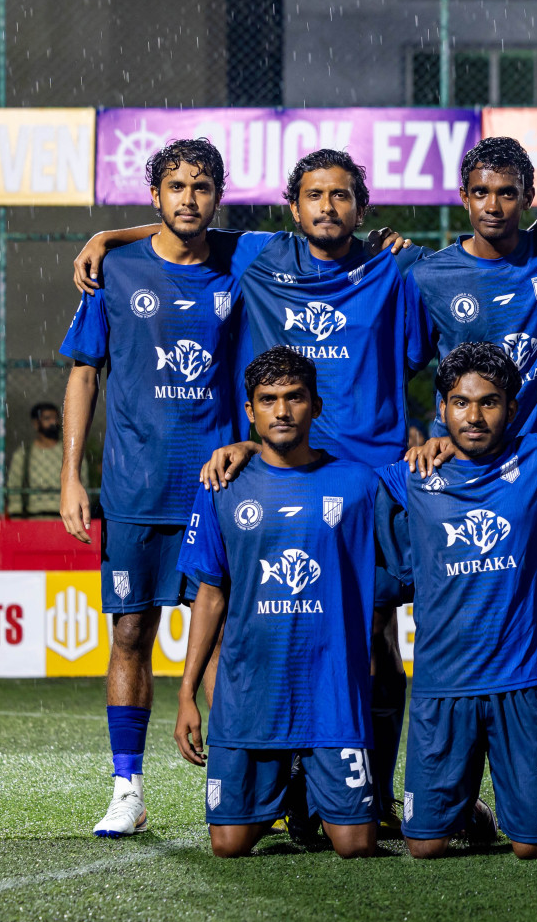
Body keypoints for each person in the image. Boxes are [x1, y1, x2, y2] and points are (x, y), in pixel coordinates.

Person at [73, 147, 425, 830]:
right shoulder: (263, 256)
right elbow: (185, 230)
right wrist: (107, 236)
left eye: (342, 195)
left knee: (376, 633)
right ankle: (274, 791)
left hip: (368, 485)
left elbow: (482, 250)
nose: (328, 206)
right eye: (315, 196)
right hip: (267, 478)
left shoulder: (395, 264)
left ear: (362, 206)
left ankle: (369, 791)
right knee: (261, 633)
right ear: (293, 210)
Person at [59, 138, 247, 838]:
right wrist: (72, 474)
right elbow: (84, 372)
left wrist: (108, 228)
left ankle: (232, 788)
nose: (188, 198)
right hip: (135, 489)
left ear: (217, 197)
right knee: (132, 631)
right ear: (156, 196)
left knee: (227, 639)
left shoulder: (241, 264)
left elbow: (314, 234)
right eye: (175, 187)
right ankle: (127, 790)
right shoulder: (117, 270)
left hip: (218, 489)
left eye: (202, 186)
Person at [375, 344, 537, 859]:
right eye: (460, 402)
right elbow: (324, 477)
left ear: (513, 409)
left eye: (490, 402)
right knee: (425, 848)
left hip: (523, 680)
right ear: (442, 408)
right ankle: (469, 810)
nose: (473, 416)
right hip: (442, 684)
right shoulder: (410, 477)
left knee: (533, 848)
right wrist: (251, 451)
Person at [173, 347, 383, 859]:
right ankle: (292, 787)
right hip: (250, 694)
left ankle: (307, 791)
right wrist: (185, 693)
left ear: (315, 405)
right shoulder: (221, 484)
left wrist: (436, 445)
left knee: (355, 846)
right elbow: (210, 594)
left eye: (294, 398)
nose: (282, 411)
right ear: (251, 411)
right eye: (268, 400)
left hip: (330, 693)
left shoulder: (361, 485)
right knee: (228, 845)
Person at [412, 136, 537, 440]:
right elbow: (399, 367)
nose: (492, 206)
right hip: (465, 457)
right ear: (465, 197)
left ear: (527, 198)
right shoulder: (429, 276)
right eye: (481, 192)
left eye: (506, 193)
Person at [8, 402, 82, 517]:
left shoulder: (71, 453)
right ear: (36, 423)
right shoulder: (23, 455)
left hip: (65, 517)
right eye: (47, 418)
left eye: (55, 418)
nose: (53, 422)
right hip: (32, 516)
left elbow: (82, 484)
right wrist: (16, 514)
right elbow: (14, 488)